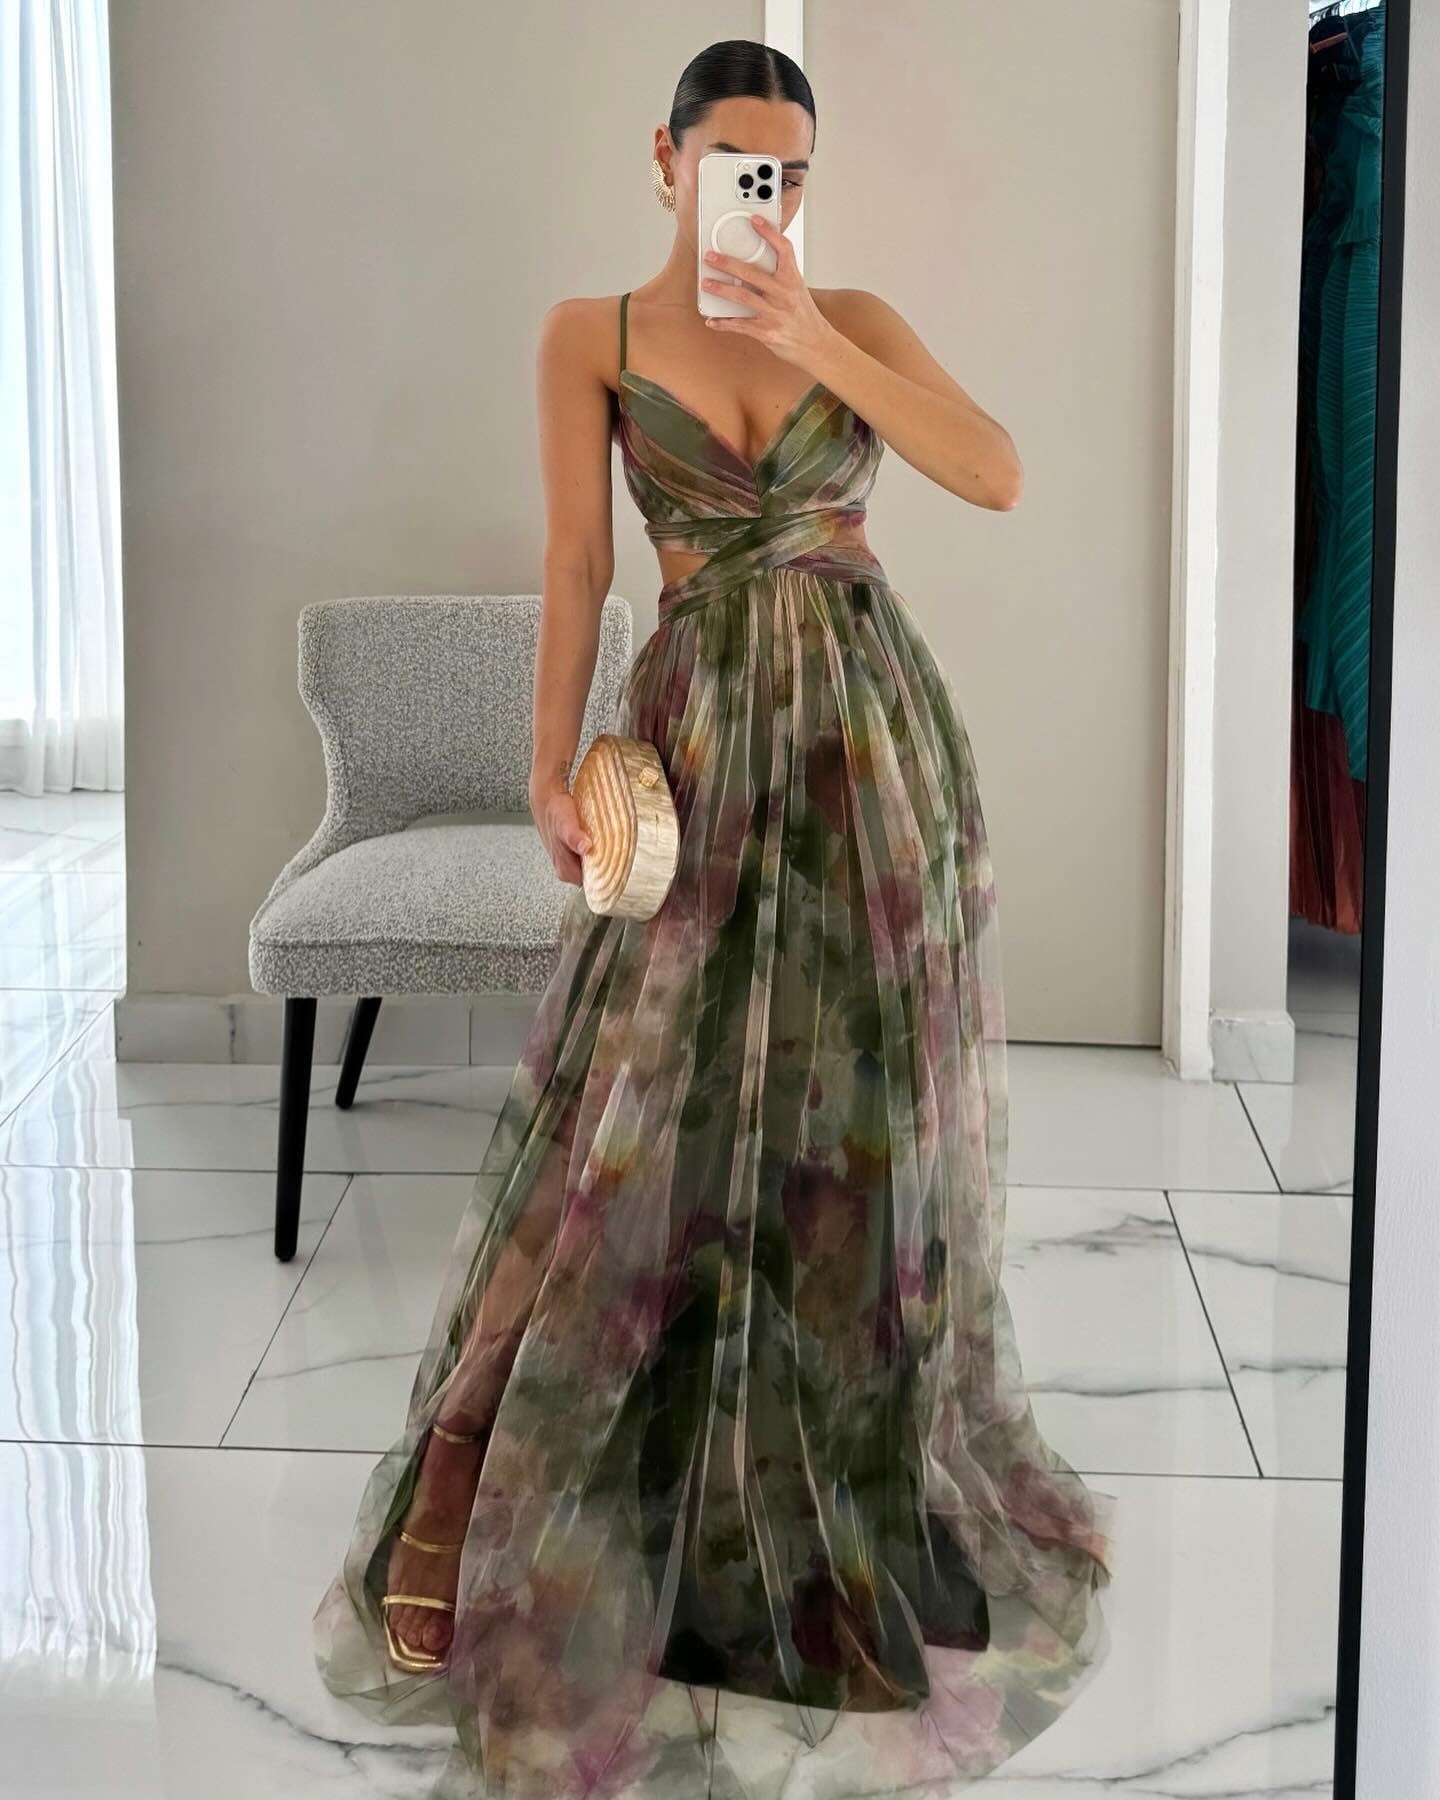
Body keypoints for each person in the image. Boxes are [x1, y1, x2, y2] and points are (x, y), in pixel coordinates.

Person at [314, 37, 1115, 1800]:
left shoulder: (856, 319)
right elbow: (578, 562)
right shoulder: (590, 334)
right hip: (695, 753)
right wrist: (547, 764)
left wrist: (813, 334)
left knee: (852, 1126)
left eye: (793, 171)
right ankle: (468, 1462)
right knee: (625, 1115)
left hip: (872, 751)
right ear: (666, 159)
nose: (768, 192)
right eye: (739, 161)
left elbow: (996, 474)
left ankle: (826, 1476)